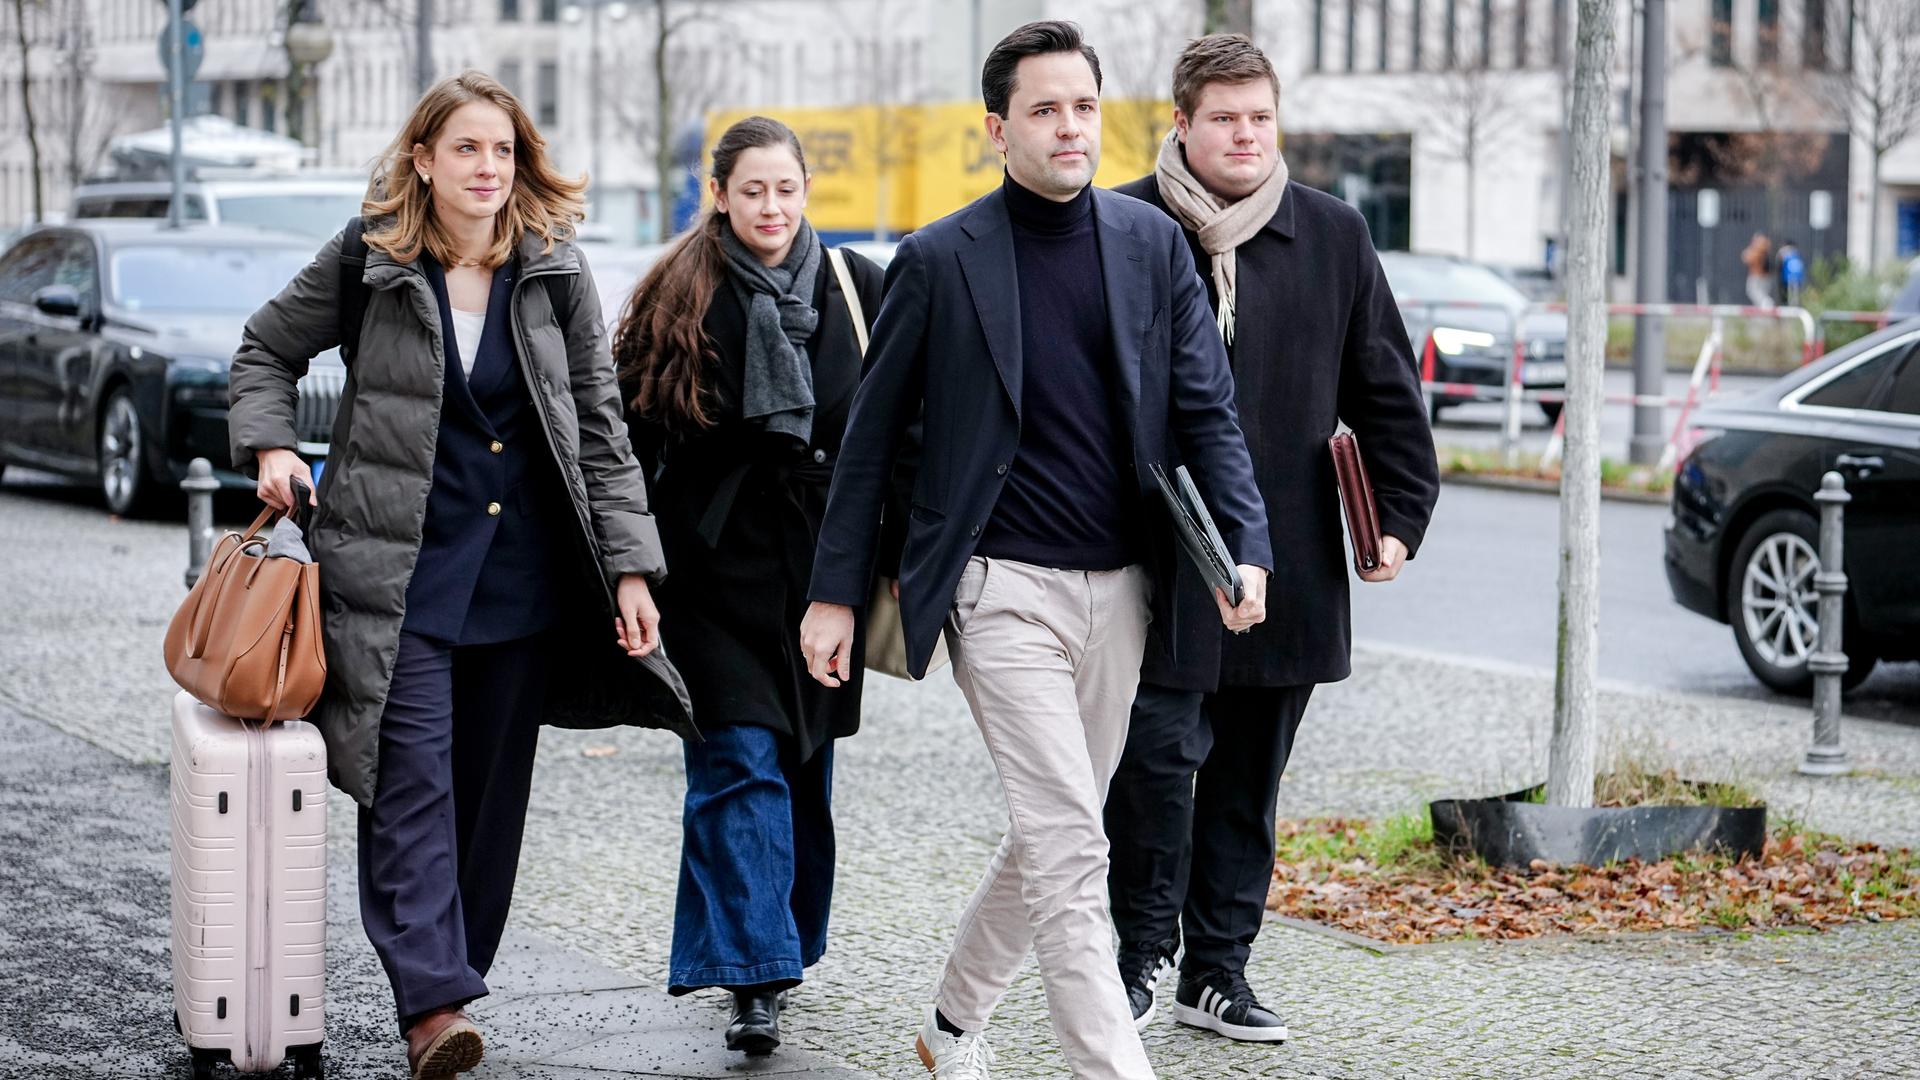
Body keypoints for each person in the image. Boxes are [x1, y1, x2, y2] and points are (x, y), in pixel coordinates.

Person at [800, 21, 1272, 1080]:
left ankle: (953, 1026)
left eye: (1085, 106)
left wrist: (1245, 545)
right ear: (996, 128)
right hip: (997, 589)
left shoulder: (1154, 248)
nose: (1071, 126)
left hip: (1127, 592)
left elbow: (1208, 416)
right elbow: (869, 444)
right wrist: (835, 594)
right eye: (1047, 108)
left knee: (1052, 834)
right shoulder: (938, 260)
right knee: (1072, 847)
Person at [228, 70, 693, 1079]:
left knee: (486, 808)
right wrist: (269, 445)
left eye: (504, 150)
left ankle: (451, 983)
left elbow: (603, 437)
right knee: (408, 790)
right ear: (424, 161)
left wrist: (629, 573)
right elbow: (265, 348)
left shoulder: (556, 273)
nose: (489, 167)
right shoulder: (372, 260)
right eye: (468, 149)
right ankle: (433, 1009)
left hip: (523, 583)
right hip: (397, 579)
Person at [1104, 35, 1440, 1044]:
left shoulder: (1332, 234)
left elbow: (1386, 391)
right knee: (1154, 763)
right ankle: (1135, 957)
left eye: (1260, 118)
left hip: (1283, 551)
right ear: (1183, 123)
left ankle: (1218, 970)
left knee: (1249, 779)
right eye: (1224, 119)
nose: (1245, 136)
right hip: (1148, 551)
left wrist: (1398, 522)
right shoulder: (1118, 224)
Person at [613, 116, 884, 1057]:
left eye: (787, 189)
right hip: (710, 570)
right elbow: (627, 447)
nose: (771, 207)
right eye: (752, 190)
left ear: (807, 192)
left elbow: (903, 430)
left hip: (825, 570)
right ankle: (755, 977)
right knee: (737, 764)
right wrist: (631, 568)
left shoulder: (859, 288)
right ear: (719, 195)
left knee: (804, 766)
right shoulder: (677, 297)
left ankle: (782, 944)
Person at [1743, 232, 1774, 308]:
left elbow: (1747, 258)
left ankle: (1767, 304)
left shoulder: (1759, 249)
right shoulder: (1764, 247)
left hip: (1758, 277)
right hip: (1762, 277)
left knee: (1758, 294)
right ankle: (1761, 312)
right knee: (1756, 295)